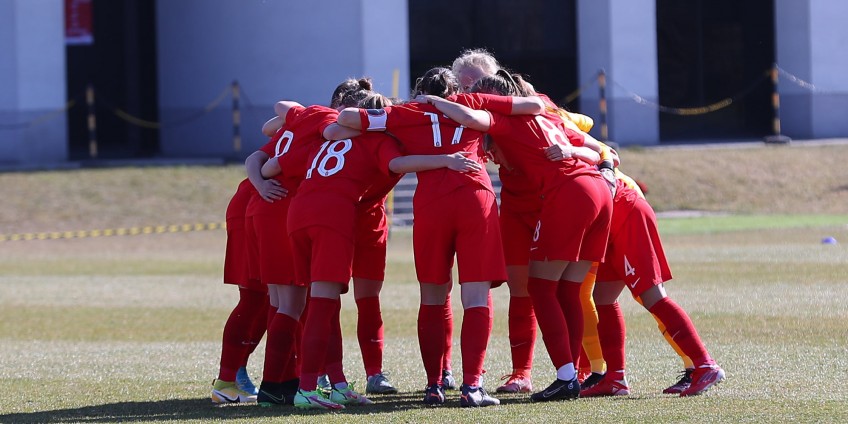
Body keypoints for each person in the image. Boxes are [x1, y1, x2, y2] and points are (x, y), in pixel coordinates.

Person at [336, 68, 545, 407]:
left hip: (432, 205)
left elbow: (347, 118)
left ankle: (434, 384)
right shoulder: (471, 101)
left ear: (420, 89)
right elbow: (533, 106)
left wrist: (411, 109)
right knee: (476, 296)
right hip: (475, 198)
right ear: (454, 88)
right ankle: (472, 386)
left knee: (432, 296)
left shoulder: (405, 112)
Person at [271, 91, 484, 410]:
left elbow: (272, 165)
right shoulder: (378, 139)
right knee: (323, 304)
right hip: (333, 216)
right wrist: (445, 159)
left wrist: (261, 183)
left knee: (318, 303)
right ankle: (307, 388)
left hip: (298, 213)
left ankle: (336, 383)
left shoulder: (326, 137)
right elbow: (397, 163)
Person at [415, 72, 614, 403]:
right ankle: (574, 375)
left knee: (540, 287)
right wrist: (579, 155)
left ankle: (567, 377)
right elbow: (598, 152)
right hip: (598, 190)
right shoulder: (546, 112)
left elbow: (470, 117)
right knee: (568, 290)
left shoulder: (504, 119)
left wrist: (433, 100)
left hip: (569, 194)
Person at [248, 79, 372, 407]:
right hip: (287, 206)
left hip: (276, 207)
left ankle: (288, 381)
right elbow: (329, 134)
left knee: (285, 302)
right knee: (295, 303)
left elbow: (267, 142)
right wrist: (374, 126)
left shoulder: (308, 114)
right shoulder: (329, 123)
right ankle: (275, 385)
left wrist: (260, 184)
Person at [577, 149, 726, 398]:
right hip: (607, 220)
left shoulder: (557, 136)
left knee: (652, 296)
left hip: (625, 213)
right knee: (603, 298)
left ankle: (705, 365)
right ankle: (615, 378)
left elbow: (606, 152)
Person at [210, 176, 276, 404]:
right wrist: (262, 184)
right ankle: (228, 378)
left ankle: (237, 371)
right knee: (256, 299)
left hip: (275, 209)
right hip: (255, 207)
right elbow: (254, 160)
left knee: (275, 300)